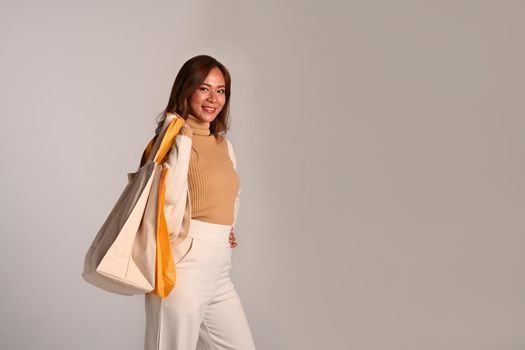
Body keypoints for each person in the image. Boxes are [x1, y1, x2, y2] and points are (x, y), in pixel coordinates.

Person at [143, 55, 257, 350]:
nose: (213, 99)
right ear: (187, 90)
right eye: (204, 88)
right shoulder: (171, 140)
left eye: (220, 91)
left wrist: (228, 226)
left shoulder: (224, 145)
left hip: (220, 269)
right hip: (183, 265)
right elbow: (157, 202)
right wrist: (176, 133)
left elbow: (230, 193)